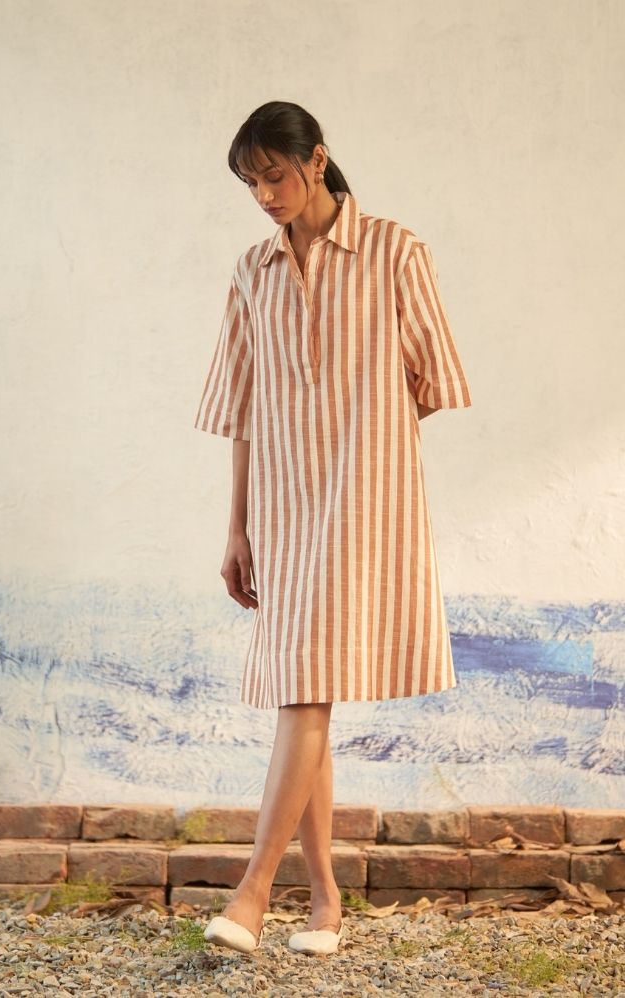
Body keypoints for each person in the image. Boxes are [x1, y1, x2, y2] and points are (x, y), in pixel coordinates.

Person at [193, 100, 472, 956]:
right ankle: (323, 902)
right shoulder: (252, 270)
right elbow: (241, 408)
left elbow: (433, 377)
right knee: (303, 687)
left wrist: (364, 438)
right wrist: (237, 527)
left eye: (275, 175)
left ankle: (252, 894)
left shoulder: (394, 250)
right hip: (281, 508)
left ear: (317, 160)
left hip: (360, 503)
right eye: (251, 183)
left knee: (304, 690)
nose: (264, 195)